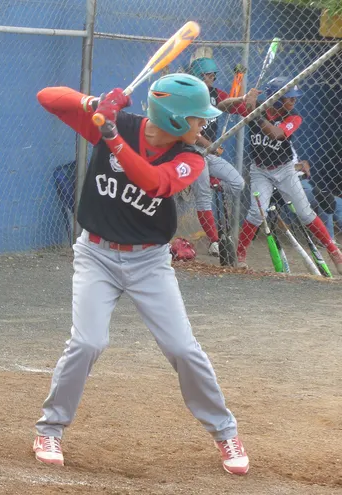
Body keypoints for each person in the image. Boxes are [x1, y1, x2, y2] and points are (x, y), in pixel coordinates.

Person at [31, 74, 249, 475]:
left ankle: (225, 433)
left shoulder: (190, 156)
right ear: (176, 118)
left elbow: (154, 184)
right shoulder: (118, 124)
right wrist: (92, 104)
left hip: (149, 263)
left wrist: (111, 137)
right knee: (87, 342)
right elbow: (47, 97)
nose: (203, 126)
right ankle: (50, 429)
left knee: (183, 349)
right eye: (198, 119)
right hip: (96, 254)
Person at [218, 76, 342, 273]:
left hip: (285, 170)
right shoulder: (256, 106)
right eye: (289, 98)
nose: (293, 101)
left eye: (294, 98)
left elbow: (277, 134)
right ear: (276, 98)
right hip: (260, 170)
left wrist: (254, 113)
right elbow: (222, 106)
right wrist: (243, 99)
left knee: (305, 213)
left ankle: (334, 252)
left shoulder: (293, 116)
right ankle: (240, 254)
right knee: (256, 214)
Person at [188, 57, 246, 257]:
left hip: (209, 154)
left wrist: (245, 101)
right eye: (207, 75)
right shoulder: (189, 97)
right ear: (197, 76)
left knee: (238, 183)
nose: (212, 77)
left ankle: (215, 184)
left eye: (213, 75)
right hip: (192, 152)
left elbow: (236, 107)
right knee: (203, 197)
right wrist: (209, 146)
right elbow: (190, 132)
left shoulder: (216, 95)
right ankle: (214, 241)